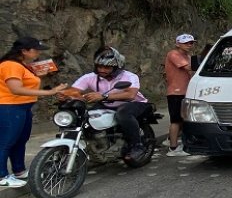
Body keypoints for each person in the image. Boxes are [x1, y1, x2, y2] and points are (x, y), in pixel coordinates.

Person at [0, 37, 68, 188]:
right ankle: (2, 175)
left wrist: (40, 76)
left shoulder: (24, 66)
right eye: (35, 50)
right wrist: (51, 92)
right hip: (8, 107)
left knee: (20, 140)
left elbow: (27, 86)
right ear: (24, 51)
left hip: (22, 107)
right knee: (6, 141)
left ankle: (19, 170)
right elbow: (15, 89)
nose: (38, 52)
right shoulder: (11, 65)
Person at [67, 46, 150, 161]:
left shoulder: (129, 76)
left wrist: (103, 96)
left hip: (134, 103)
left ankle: (137, 146)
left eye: (107, 67)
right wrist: (68, 95)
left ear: (116, 67)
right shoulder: (90, 77)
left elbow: (131, 94)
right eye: (99, 66)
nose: (102, 70)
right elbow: (73, 91)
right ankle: (73, 148)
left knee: (123, 113)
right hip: (106, 104)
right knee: (82, 116)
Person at [163, 34, 196, 157]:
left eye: (191, 43)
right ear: (178, 44)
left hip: (185, 92)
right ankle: (173, 148)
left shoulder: (187, 56)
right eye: (186, 42)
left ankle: (171, 139)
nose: (189, 45)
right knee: (176, 120)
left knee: (183, 119)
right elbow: (189, 67)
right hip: (176, 92)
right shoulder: (174, 54)